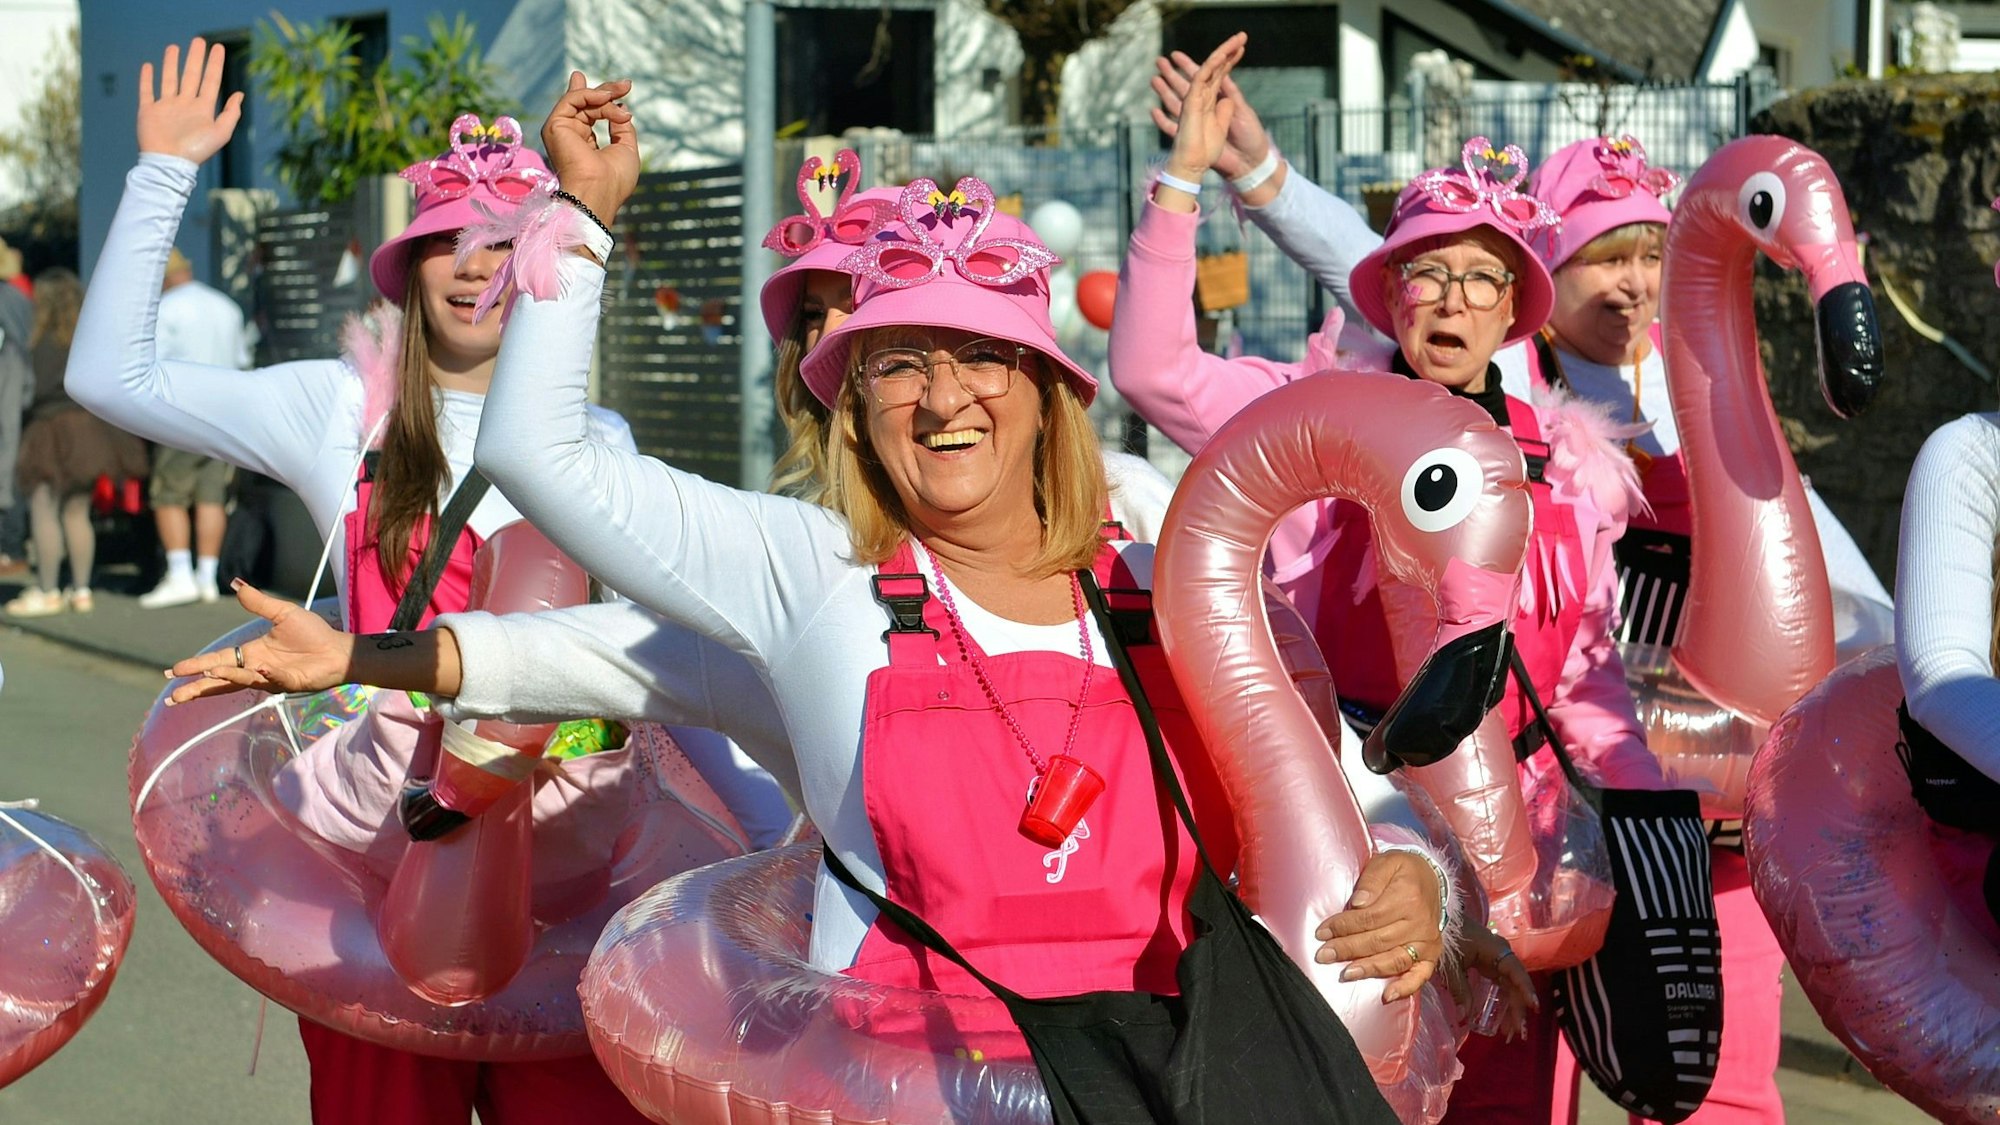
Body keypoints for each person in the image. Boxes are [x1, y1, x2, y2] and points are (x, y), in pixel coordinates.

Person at [175, 69, 1537, 1119]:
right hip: (900, 1094)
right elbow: (554, 492)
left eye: (977, 357)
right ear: (853, 406)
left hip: (1166, 1084)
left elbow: (1365, 803)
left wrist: (1416, 882)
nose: (942, 396)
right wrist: (580, 220)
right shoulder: (811, 568)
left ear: (1052, 393)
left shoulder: (1163, 585)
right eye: (896, 364)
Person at [69, 38, 779, 1125]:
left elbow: (663, 656)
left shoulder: (600, 442)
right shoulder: (336, 410)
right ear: (407, 265)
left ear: (546, 260)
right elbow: (107, 375)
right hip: (384, 865)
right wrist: (164, 170)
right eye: (443, 238)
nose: (469, 264)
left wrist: (782, 852)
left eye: (500, 242)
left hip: (570, 863)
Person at [1112, 41, 1666, 1125]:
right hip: (1356, 827)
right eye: (1425, 271)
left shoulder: (1570, 459)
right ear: (1390, 293)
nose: (1449, 299)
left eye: (1479, 276)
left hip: (1522, 849)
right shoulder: (1310, 420)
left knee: (1509, 1109)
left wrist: (1636, 819)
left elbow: (1587, 675)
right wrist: (1180, 179)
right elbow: (1148, 370)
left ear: (1511, 308)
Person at [1147, 49, 1895, 658]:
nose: (1634, 287)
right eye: (1605, 261)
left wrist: (1879, 633)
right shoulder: (1505, 363)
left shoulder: (1683, 362)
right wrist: (1257, 173)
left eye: (1651, 256)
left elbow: (1786, 508)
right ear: (1538, 282)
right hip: (1551, 655)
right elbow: (1369, 260)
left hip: (1689, 658)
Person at [5, 269, 148, 616]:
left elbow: (25, 392)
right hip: (87, 431)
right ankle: (82, 590)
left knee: (44, 509)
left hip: (47, 430)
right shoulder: (88, 340)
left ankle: (48, 590)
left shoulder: (32, 342)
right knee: (76, 512)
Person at [138, 246, 251, 608]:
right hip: (224, 414)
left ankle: (179, 572)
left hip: (180, 410)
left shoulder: (166, 309)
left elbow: (150, 363)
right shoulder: (226, 306)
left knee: (169, 494)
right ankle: (207, 576)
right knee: (211, 496)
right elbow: (242, 361)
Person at [0, 275, 31, 575]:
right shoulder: (19, 296)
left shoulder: (7, 298)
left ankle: (10, 548)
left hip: (9, 385)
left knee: (8, 470)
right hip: (18, 390)